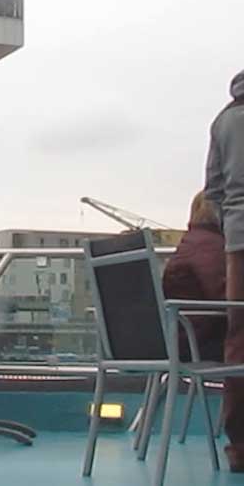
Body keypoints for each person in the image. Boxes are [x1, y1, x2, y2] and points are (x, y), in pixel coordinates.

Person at [204, 69, 244, 470]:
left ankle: (240, 448)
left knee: (240, 340)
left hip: (239, 241)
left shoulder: (222, 121)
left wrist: (231, 223)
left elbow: (212, 191)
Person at [161, 191, 226, 362]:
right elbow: (226, 297)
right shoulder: (212, 247)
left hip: (182, 339)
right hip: (202, 342)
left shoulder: (194, 242)